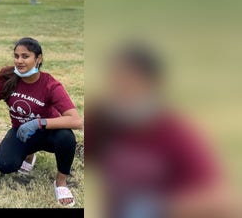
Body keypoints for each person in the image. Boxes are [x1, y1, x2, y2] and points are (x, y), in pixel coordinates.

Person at [86, 41, 237, 217]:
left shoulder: (175, 132)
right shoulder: (104, 121)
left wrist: (159, 207)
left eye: (128, 81)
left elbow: (222, 199)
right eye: (115, 80)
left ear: (152, 84)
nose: (120, 88)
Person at [0, 37, 83, 207]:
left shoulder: (50, 85)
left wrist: (39, 123)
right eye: (16, 56)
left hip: (49, 133)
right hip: (22, 132)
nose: (19, 61)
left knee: (66, 138)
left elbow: (77, 121)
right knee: (5, 165)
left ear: (38, 59)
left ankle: (61, 182)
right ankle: (29, 155)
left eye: (25, 56)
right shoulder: (7, 75)